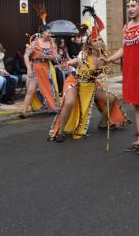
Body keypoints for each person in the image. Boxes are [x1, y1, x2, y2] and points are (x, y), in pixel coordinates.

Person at [49, 10, 128, 141]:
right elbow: (73, 62)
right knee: (69, 103)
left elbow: (120, 62)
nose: (97, 43)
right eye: (94, 41)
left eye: (99, 40)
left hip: (90, 85)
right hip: (76, 82)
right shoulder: (84, 55)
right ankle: (61, 131)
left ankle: (103, 123)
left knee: (112, 99)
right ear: (90, 44)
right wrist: (66, 63)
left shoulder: (106, 56)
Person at [104, 0, 139, 154]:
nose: (130, 9)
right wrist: (109, 59)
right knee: (136, 105)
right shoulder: (126, 26)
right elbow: (124, 49)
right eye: (128, 7)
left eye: (133, 6)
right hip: (130, 72)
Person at [19, 28, 61, 116]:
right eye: (48, 32)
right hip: (36, 68)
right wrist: (29, 69)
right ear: (42, 33)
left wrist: (47, 57)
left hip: (47, 67)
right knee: (31, 90)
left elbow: (56, 57)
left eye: (50, 32)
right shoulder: (35, 43)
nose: (50, 34)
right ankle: (23, 112)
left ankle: (52, 107)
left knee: (50, 89)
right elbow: (26, 56)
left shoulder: (52, 43)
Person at [0, 40, 18, 104]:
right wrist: (2, 71)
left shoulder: (1, 56)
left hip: (2, 71)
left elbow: (2, 67)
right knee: (5, 80)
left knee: (15, 78)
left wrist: (6, 72)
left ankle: (11, 94)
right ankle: (3, 95)